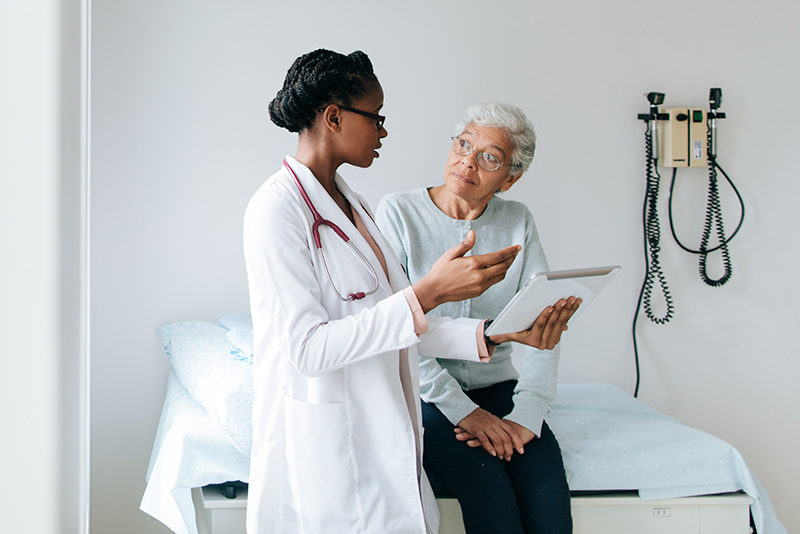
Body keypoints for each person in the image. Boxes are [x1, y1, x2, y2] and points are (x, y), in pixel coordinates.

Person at [243, 51, 578, 534]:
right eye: (375, 117)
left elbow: (399, 322)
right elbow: (309, 349)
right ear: (334, 117)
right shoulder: (276, 209)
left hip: (382, 415)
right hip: (328, 434)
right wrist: (426, 294)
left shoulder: (353, 205)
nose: (383, 132)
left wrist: (493, 335)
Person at [376, 102, 577, 534]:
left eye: (489, 156)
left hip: (498, 388)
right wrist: (464, 411)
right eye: (464, 144)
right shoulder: (398, 213)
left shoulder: (518, 220)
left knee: (549, 508)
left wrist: (528, 414)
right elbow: (395, 329)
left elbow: (545, 328)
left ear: (510, 177)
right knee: (494, 505)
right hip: (426, 397)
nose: (468, 161)